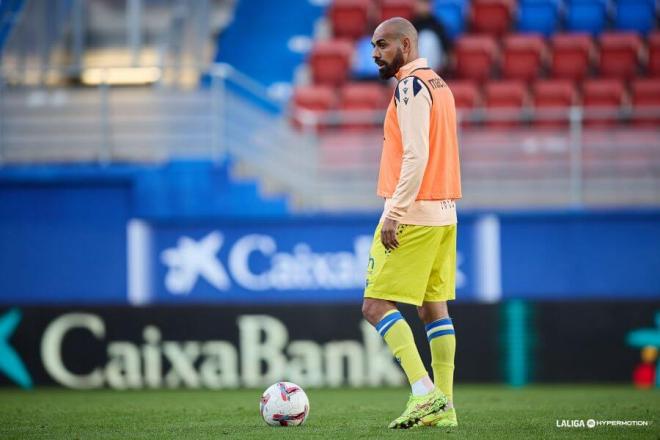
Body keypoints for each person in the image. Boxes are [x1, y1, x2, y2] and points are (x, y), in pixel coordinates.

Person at [363, 17, 461, 429]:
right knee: (431, 308)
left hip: (414, 214)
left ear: (407, 44)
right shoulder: (440, 85)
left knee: (374, 304)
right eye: (372, 46)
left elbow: (416, 155)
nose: (375, 53)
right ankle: (447, 410)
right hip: (443, 212)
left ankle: (424, 393)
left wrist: (394, 212)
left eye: (383, 45)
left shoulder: (411, 85)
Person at [411, 0, 452, 72]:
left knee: (428, 39)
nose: (423, 7)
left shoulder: (437, 23)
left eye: (425, 4)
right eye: (421, 4)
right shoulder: (412, 24)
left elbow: (445, 44)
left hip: (436, 58)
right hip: (416, 59)